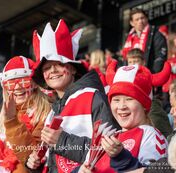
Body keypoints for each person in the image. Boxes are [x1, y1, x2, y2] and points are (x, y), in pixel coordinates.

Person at [26, 19, 120, 173]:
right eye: (47, 68)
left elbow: (109, 151)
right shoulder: (53, 111)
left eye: (59, 64)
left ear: (74, 69)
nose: (53, 71)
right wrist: (37, 164)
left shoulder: (93, 97)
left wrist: (61, 141)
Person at [78, 64, 168, 173]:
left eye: (129, 99)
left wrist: (121, 156)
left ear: (144, 105)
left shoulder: (151, 135)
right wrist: (80, 170)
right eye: (116, 100)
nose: (121, 106)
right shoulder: (108, 136)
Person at [0, 56, 51, 173]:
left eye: (24, 81)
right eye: (11, 83)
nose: (17, 87)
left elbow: (32, 158)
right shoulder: (5, 116)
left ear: (35, 83)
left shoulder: (45, 113)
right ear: (5, 88)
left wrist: (12, 123)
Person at [122, 8, 167, 74]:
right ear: (132, 23)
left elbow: (160, 58)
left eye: (142, 18)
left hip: (149, 75)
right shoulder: (129, 38)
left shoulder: (155, 34)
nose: (140, 21)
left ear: (146, 19)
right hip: (131, 76)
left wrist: (151, 75)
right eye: (137, 19)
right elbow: (125, 59)